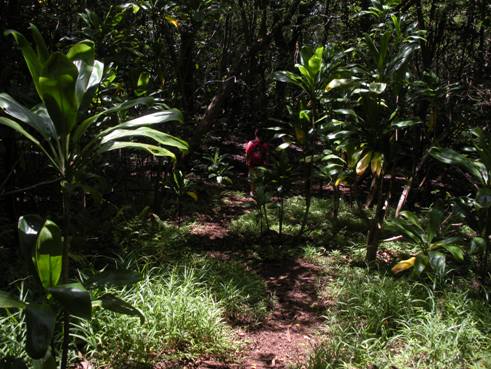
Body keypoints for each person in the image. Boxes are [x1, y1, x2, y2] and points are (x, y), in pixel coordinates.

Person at [244, 128, 269, 195]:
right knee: (260, 179)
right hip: (261, 165)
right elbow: (266, 155)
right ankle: (259, 193)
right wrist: (266, 162)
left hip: (253, 164)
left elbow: (247, 153)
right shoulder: (264, 144)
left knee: (252, 179)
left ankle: (253, 192)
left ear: (255, 134)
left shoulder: (251, 143)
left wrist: (247, 161)